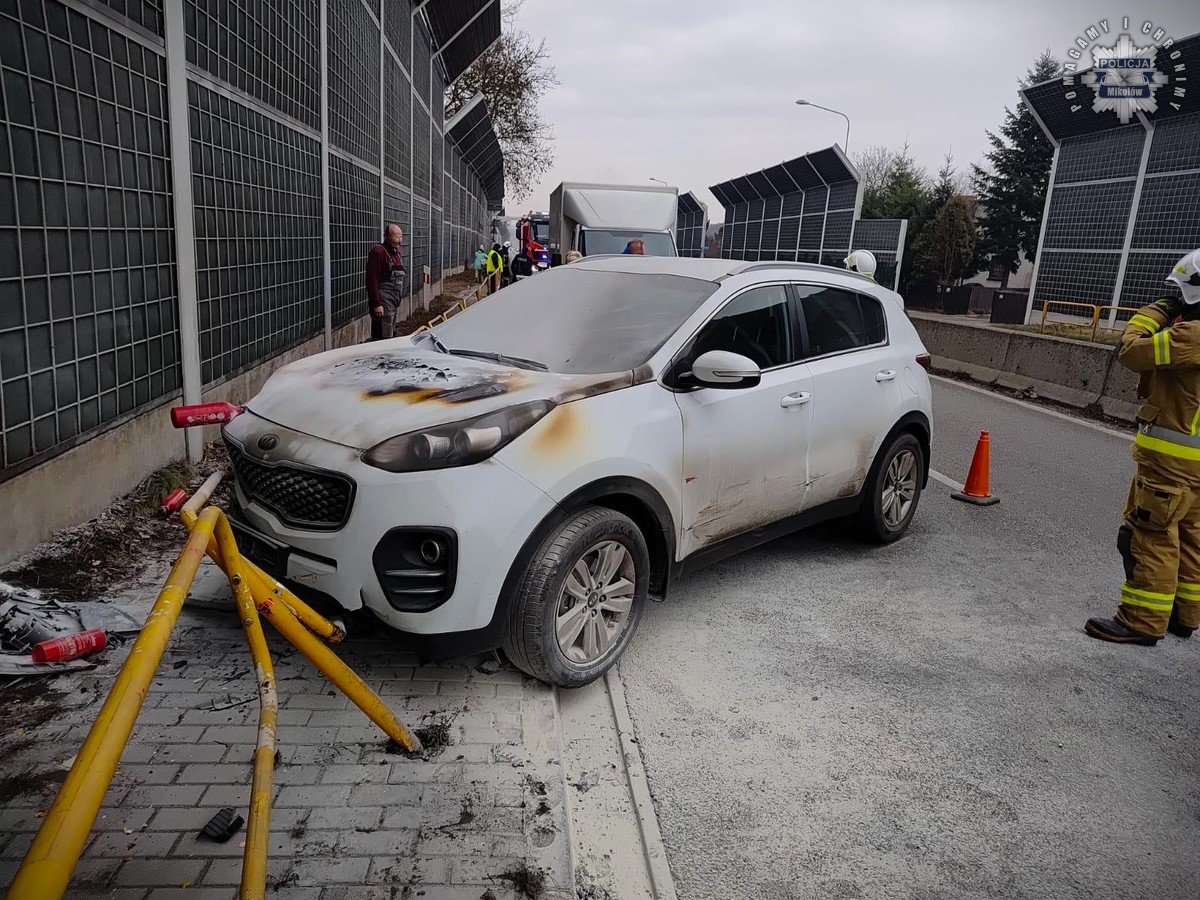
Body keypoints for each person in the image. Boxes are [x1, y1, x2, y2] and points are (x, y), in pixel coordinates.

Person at [1086, 248, 1200, 645]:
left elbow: (1131, 351)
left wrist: (1156, 312)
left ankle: (1141, 620)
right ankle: (1184, 617)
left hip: (1172, 463)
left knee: (1149, 534)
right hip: (1196, 469)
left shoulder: (1190, 336)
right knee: (1189, 537)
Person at [365, 224, 405, 341]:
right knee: (382, 340)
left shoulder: (396, 253)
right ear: (386, 237)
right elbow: (371, 279)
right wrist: (376, 304)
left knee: (390, 337)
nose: (399, 240)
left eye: (400, 237)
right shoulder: (378, 252)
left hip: (393, 303)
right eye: (395, 237)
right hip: (383, 303)